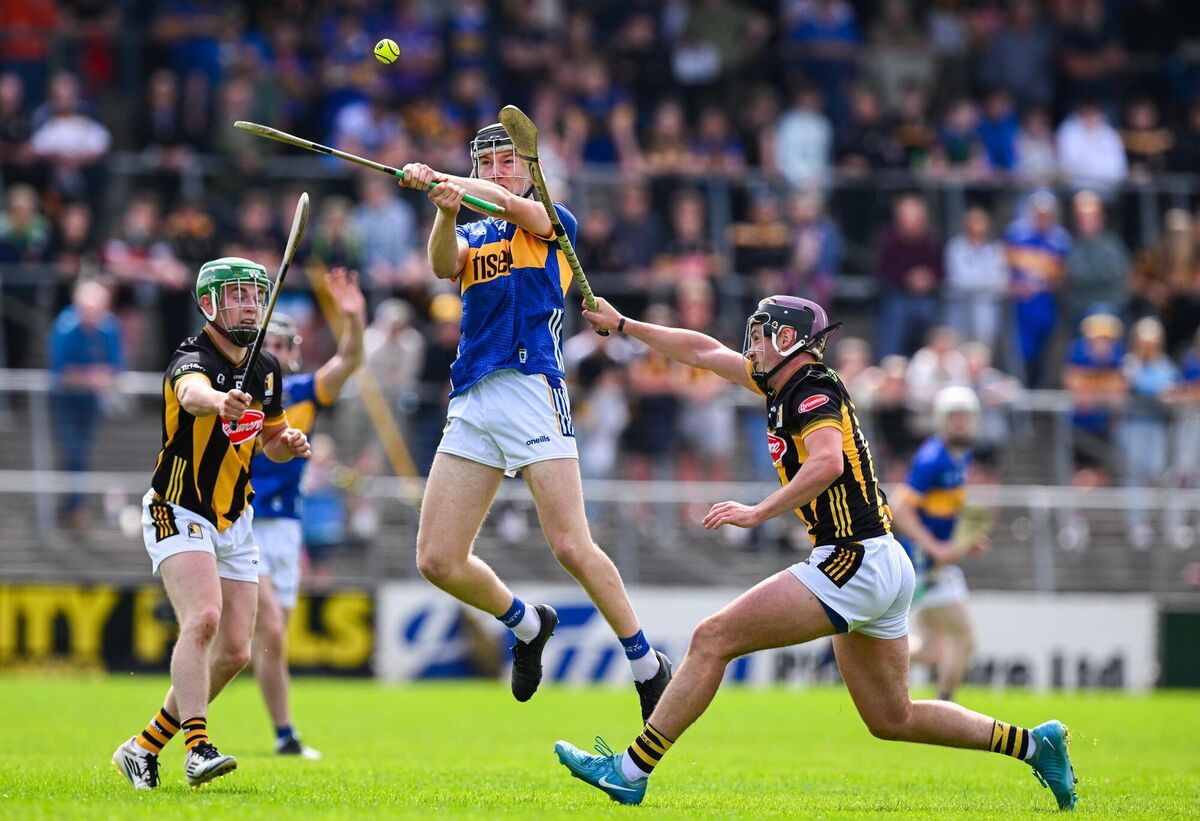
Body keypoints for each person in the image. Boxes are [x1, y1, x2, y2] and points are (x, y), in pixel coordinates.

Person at [554, 294, 1077, 811]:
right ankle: (1033, 744)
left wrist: (759, 511)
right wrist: (623, 324)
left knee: (711, 638)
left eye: (760, 335)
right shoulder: (782, 384)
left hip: (853, 559)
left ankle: (629, 771)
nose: (751, 345)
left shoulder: (811, 391)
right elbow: (703, 352)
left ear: (787, 339)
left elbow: (826, 463)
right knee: (892, 719)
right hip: (880, 559)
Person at [395, 123, 672, 718]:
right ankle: (525, 624)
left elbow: (510, 205)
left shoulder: (553, 220)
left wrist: (449, 179)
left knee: (571, 544)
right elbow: (445, 266)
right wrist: (443, 210)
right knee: (437, 559)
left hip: (531, 388)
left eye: (504, 163)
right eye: (485, 163)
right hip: (473, 393)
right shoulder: (474, 225)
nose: (494, 173)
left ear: (530, 170)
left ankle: (647, 665)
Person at [112, 257, 311, 789]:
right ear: (209, 304)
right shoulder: (190, 357)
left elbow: (270, 435)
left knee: (237, 651)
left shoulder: (267, 368)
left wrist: (287, 444)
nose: (250, 305)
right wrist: (219, 400)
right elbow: (192, 395)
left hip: (234, 517)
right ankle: (197, 747)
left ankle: (143, 747)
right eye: (238, 296)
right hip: (177, 505)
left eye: (255, 295)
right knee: (202, 618)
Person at [248, 267, 366, 758]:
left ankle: (282, 735)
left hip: (287, 526)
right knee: (268, 627)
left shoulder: (303, 393)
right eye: (270, 342)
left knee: (270, 642)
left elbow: (350, 359)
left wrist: (354, 320)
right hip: (244, 521)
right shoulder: (240, 394)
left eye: (285, 342)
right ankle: (190, 724)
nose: (279, 350)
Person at [891, 386, 989, 702]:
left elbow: (942, 510)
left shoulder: (960, 456)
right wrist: (934, 546)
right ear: (941, 421)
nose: (960, 422)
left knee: (933, 651)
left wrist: (964, 541)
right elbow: (900, 508)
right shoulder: (933, 458)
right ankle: (945, 706)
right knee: (964, 638)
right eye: (953, 417)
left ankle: (864, 657)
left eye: (966, 416)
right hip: (926, 563)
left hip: (935, 561)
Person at [47, 280, 123, 530]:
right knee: (73, 452)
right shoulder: (65, 327)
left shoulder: (108, 327)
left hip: (91, 400)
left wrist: (97, 377)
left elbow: (116, 365)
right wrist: (91, 376)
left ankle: (76, 505)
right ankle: (74, 505)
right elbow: (59, 370)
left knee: (81, 452)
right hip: (65, 401)